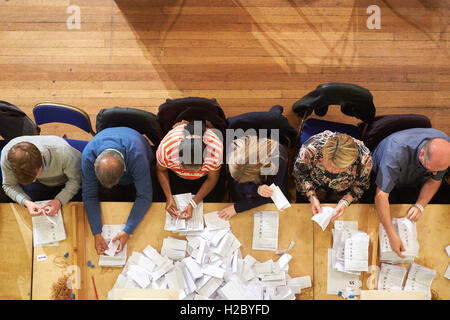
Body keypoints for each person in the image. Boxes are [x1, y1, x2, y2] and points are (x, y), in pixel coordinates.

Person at [371, 128, 450, 258]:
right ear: (421, 153)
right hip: (382, 174)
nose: (436, 173)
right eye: (432, 169)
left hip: (414, 178)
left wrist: (420, 205)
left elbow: (435, 180)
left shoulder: (444, 148)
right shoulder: (395, 152)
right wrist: (391, 235)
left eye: (439, 170)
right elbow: (381, 195)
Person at [82, 127, 154, 255]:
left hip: (141, 151)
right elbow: (89, 196)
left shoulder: (137, 157)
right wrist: (97, 233)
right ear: (94, 166)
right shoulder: (88, 156)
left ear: (125, 168)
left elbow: (145, 195)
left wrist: (128, 230)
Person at [292, 130, 372, 222]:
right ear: (323, 154)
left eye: (339, 169)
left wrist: (345, 202)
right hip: (311, 189)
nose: (332, 171)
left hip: (342, 196)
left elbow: (360, 185)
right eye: (329, 165)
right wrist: (312, 196)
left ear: (351, 162)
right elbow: (300, 174)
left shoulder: (364, 159)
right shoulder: (312, 149)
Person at [156, 120, 223, 220]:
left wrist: (193, 203)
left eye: (197, 169)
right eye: (185, 168)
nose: (192, 173)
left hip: (204, 178)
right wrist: (169, 196)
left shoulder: (215, 151)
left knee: (212, 206)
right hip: (177, 176)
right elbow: (161, 170)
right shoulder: (166, 149)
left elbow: (212, 179)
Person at [1, 136, 81, 215]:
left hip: (66, 180)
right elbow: (9, 185)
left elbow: (76, 180)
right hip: (41, 184)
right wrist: (26, 202)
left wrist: (59, 200)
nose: (34, 180)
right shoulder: (6, 157)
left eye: (35, 175)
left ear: (41, 157)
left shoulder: (64, 153)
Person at [218, 135, 288, 220]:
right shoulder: (234, 148)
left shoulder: (277, 160)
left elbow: (271, 195)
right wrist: (256, 189)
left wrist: (238, 208)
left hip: (268, 184)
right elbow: (235, 185)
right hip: (253, 188)